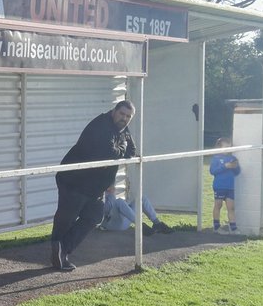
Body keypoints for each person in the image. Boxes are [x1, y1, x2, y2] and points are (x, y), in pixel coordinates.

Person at [50, 101, 138, 271]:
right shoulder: (101, 125)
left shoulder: (122, 128)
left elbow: (131, 150)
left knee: (95, 216)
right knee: (66, 218)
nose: (124, 118)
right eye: (122, 114)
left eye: (128, 116)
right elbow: (109, 152)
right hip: (75, 180)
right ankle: (58, 253)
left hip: (95, 185)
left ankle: (62, 248)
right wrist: (122, 147)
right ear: (114, 111)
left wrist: (121, 149)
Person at [98, 185, 173, 235]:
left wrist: (111, 192)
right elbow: (106, 210)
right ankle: (140, 225)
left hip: (123, 221)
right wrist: (110, 193)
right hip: (110, 222)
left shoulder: (108, 186)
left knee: (141, 198)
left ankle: (157, 224)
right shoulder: (97, 191)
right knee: (119, 202)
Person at [209, 137, 240, 234]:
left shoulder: (232, 158)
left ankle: (233, 228)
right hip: (219, 186)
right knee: (218, 205)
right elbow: (212, 171)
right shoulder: (216, 158)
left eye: (229, 147)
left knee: (231, 207)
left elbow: (237, 172)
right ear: (219, 147)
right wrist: (225, 166)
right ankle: (216, 227)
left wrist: (234, 167)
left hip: (230, 187)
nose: (228, 149)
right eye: (225, 147)